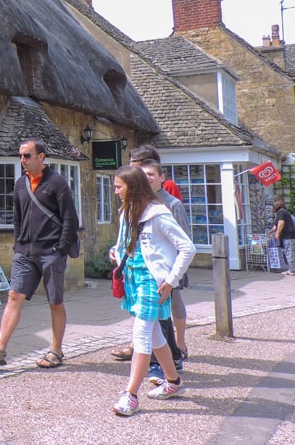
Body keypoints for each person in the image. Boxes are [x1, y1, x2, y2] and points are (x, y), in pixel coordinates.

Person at [0, 139, 78, 368]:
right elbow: (18, 217)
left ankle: (56, 351)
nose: (23, 160)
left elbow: (70, 219)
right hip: (25, 252)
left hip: (51, 252)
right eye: (20, 156)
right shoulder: (20, 184)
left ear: (41, 157)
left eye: (27, 156)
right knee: (14, 296)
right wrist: (18, 244)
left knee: (55, 302)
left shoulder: (57, 183)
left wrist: (60, 247)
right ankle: (0, 349)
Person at [109, 165, 195, 416]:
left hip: (153, 282)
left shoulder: (159, 214)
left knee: (142, 334)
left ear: (132, 188)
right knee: (155, 334)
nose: (115, 191)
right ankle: (174, 382)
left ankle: (131, 395)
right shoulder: (127, 211)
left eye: (118, 187)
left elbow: (187, 248)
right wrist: (116, 252)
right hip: (133, 279)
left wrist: (171, 280)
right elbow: (124, 243)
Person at [267, 198, 295, 276]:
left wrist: (277, 234)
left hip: (289, 235)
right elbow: (275, 226)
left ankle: (291, 270)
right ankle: (291, 269)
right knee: (290, 252)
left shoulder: (281, 212)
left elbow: (281, 223)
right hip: (290, 235)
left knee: (289, 252)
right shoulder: (283, 212)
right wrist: (269, 232)